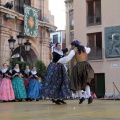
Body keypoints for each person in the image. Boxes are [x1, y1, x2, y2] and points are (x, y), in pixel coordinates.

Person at [58, 40, 94, 104]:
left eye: (71, 45)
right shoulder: (84, 48)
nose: (71, 47)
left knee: (77, 82)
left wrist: (59, 61)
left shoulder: (73, 50)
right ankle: (89, 96)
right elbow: (89, 49)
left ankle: (81, 97)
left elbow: (68, 58)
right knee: (86, 82)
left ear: (74, 45)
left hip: (79, 66)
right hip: (86, 65)